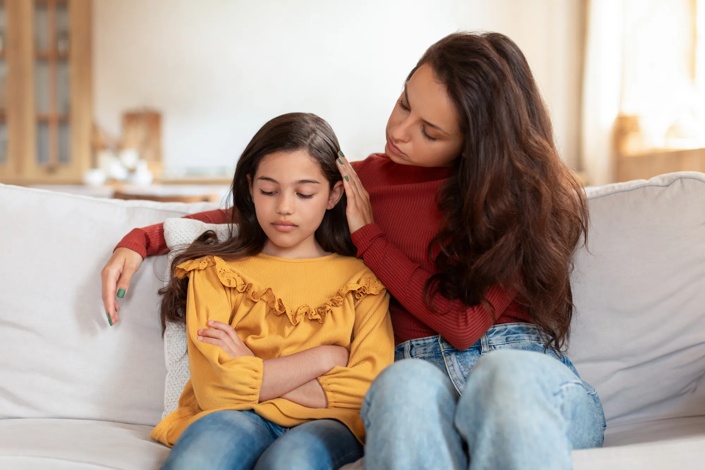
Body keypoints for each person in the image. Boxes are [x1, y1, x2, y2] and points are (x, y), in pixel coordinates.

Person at [102, 32, 605, 469]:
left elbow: (464, 326)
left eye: (430, 132)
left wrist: (370, 238)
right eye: (405, 103)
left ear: (476, 143)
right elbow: (267, 211)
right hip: (414, 376)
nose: (399, 131)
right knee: (401, 389)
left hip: (516, 368)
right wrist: (141, 240)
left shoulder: (519, 199)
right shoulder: (360, 182)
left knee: (500, 379)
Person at [148, 112, 393, 470]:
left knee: (290, 462)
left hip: (327, 426)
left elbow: (364, 392)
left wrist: (249, 365)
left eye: (304, 192)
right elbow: (216, 389)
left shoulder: (363, 281)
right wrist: (323, 359)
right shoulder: (216, 272)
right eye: (268, 190)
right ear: (250, 188)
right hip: (236, 417)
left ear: (333, 194)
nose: (284, 207)